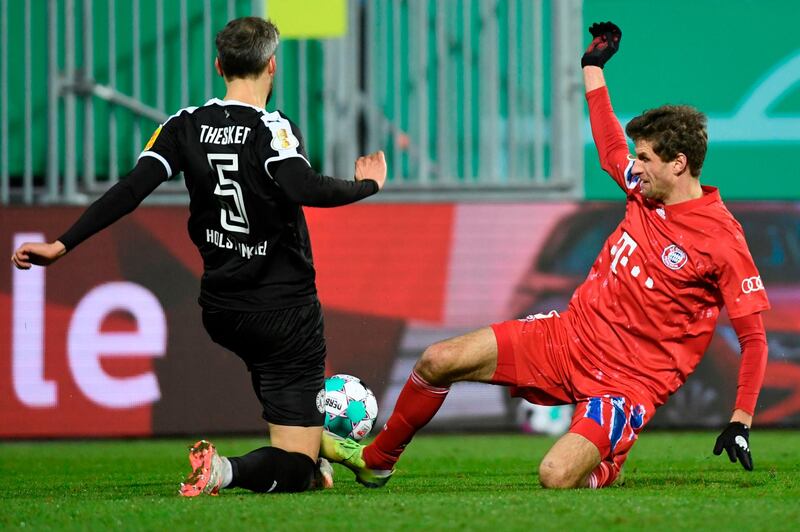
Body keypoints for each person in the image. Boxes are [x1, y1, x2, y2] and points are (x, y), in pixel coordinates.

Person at [321, 21, 770, 489]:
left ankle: (607, 462)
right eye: (637, 158)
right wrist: (592, 67)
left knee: (555, 477)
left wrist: (740, 419)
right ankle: (378, 459)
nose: (633, 167)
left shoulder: (721, 239)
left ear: (678, 164)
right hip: (568, 338)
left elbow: (753, 339)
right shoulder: (644, 188)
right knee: (437, 359)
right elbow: (608, 145)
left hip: (627, 383)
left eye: (645, 159)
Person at [12, 17, 387, 496]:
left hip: (224, 310)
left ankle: (315, 453)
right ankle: (231, 470)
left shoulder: (183, 125)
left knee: (305, 452)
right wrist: (368, 185)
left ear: (218, 66)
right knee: (296, 468)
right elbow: (301, 185)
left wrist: (61, 244)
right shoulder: (274, 128)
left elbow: (130, 190)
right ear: (272, 66)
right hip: (284, 312)